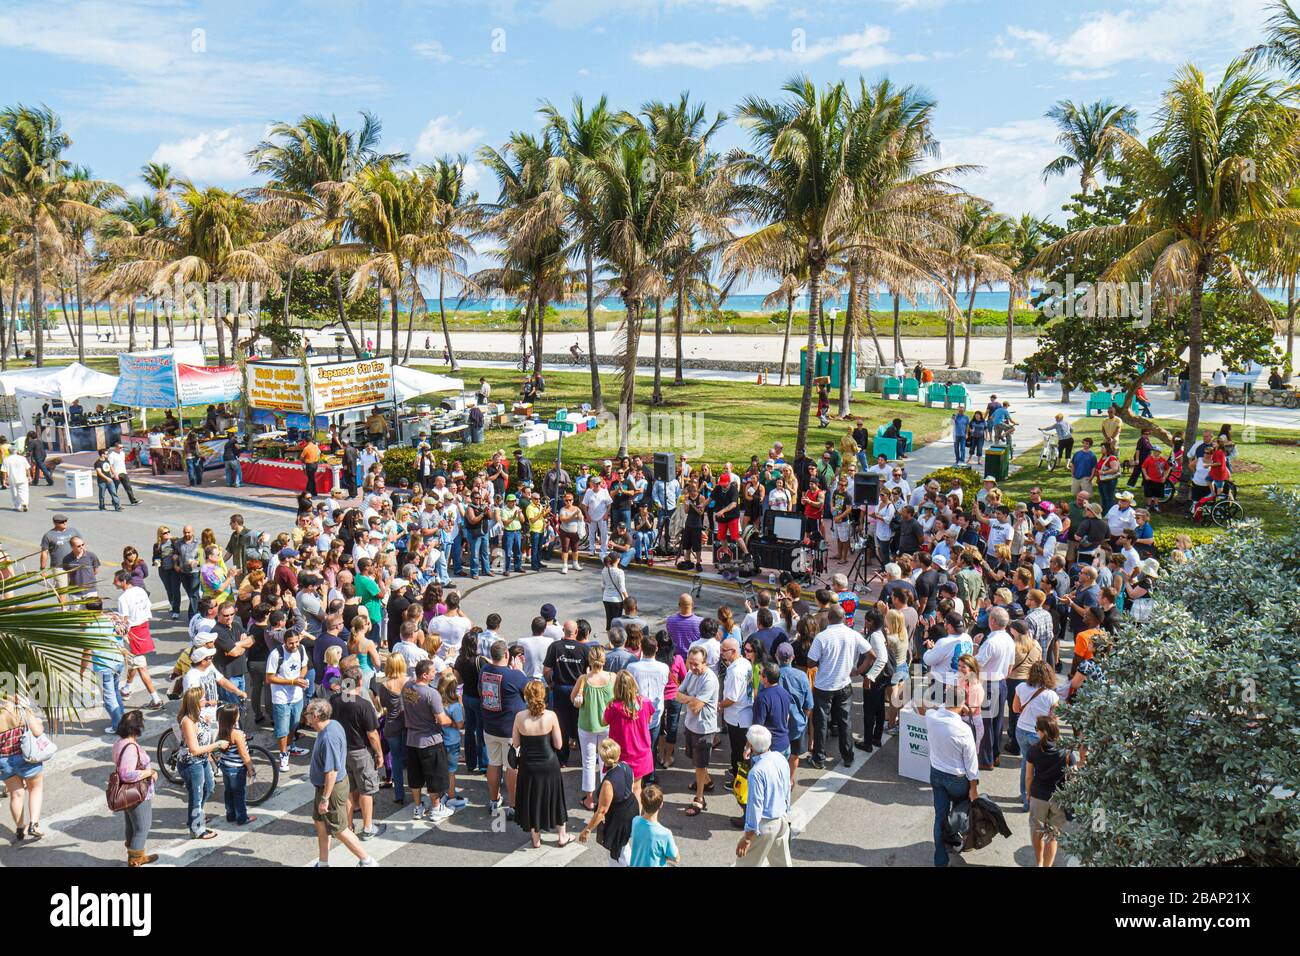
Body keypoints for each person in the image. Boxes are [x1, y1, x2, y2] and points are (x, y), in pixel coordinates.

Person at [305, 698, 377, 866]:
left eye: (307, 713)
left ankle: (367, 861)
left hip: (331, 788)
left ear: (315, 716)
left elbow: (331, 773)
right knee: (320, 822)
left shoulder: (329, 738)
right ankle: (323, 862)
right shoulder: (333, 724)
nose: (305, 716)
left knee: (340, 829)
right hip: (325, 787)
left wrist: (325, 799)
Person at [919, 682, 980, 867]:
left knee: (940, 817)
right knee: (960, 815)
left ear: (945, 700)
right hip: (958, 779)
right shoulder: (963, 730)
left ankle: (940, 860)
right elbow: (971, 764)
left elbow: (921, 704)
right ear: (963, 704)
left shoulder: (932, 717)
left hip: (936, 774)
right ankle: (957, 842)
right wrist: (974, 789)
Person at [511, 680, 573, 848]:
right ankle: (562, 836)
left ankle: (536, 839)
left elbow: (515, 743)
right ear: (543, 695)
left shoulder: (519, 717)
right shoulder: (551, 716)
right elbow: (559, 744)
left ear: (526, 696)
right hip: (548, 763)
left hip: (528, 765)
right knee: (555, 798)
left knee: (532, 799)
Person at [807, 605, 867, 769]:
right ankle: (848, 756)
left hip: (824, 686)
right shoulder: (852, 634)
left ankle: (819, 758)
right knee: (844, 721)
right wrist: (858, 671)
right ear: (843, 618)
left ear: (829, 619)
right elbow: (871, 654)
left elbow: (810, 662)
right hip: (844, 684)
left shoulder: (822, 637)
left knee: (821, 723)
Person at [480, 640, 529, 816]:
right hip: (510, 730)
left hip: (490, 727)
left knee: (494, 764)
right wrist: (520, 670)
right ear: (507, 655)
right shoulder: (514, 676)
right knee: (511, 766)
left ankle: (494, 801)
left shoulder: (484, 671)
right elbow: (530, 692)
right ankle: (513, 805)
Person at [735, 724, 793, 867]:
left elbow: (755, 806)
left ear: (751, 746)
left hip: (765, 825)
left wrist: (748, 837)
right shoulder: (779, 758)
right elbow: (787, 787)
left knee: (745, 864)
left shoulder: (757, 772)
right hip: (781, 819)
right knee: (782, 863)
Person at [578, 738, 639, 866]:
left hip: (619, 818)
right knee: (623, 844)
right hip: (631, 809)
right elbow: (631, 786)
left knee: (618, 851)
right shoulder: (625, 766)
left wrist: (587, 830)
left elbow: (602, 811)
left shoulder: (608, 782)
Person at [175, 686, 226, 840]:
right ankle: (197, 829)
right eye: (203, 698)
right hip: (191, 764)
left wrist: (208, 724)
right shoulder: (187, 722)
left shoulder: (199, 715)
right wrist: (218, 745)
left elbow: (204, 737)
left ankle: (196, 816)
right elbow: (195, 749)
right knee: (196, 796)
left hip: (202, 760)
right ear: (195, 702)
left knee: (209, 788)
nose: (206, 699)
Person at [676, 646, 719, 818]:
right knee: (695, 760)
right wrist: (691, 699)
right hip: (690, 725)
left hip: (703, 728)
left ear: (705, 662)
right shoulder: (691, 673)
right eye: (690, 663)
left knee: (700, 765)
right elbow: (677, 694)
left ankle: (700, 798)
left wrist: (689, 699)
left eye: (696, 664)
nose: (692, 667)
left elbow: (694, 707)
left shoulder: (710, 680)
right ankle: (706, 782)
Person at [112, 709, 159, 865]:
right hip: (137, 792)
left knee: (132, 826)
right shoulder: (131, 747)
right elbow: (127, 774)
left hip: (127, 791)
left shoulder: (119, 743)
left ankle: (136, 855)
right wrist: (149, 772)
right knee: (142, 828)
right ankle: (135, 861)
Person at [0, 693, 47, 842]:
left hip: (4, 761)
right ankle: (34, 824)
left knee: (16, 794)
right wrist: (29, 711)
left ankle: (20, 828)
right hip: (26, 758)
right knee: (35, 789)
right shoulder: (20, 710)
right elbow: (38, 731)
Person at [1025, 714, 1070, 867]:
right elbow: (1074, 776)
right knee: (1053, 836)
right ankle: (1047, 866)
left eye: (1037, 729)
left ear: (1043, 731)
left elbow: (1029, 776)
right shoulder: (1067, 751)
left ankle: (1039, 863)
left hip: (1039, 796)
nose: (1036, 732)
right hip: (1059, 797)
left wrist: (1028, 793)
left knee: (1037, 832)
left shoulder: (1034, 750)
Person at [266, 630, 310, 771]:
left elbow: (304, 666)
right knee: (282, 729)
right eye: (291, 643)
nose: (295, 645)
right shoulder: (275, 654)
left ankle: (291, 747)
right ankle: (283, 755)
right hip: (281, 698)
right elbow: (269, 678)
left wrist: (301, 678)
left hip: (297, 696)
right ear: (284, 642)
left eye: (297, 642)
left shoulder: (301, 649)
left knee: (294, 724)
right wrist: (292, 681)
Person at [215, 703, 256, 827]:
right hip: (237, 769)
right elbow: (244, 754)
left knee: (229, 792)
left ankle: (230, 814)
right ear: (234, 718)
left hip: (225, 766)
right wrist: (250, 768)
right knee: (239, 794)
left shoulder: (222, 731)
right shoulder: (238, 733)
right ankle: (242, 817)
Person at [629, 784, 679, 867]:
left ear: (642, 802)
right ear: (661, 804)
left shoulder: (635, 821)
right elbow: (676, 857)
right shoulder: (665, 833)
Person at [108, 441, 140, 505]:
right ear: (116, 448)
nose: (122, 449)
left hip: (124, 473)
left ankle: (133, 501)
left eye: (122, 447)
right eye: (120, 447)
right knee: (115, 489)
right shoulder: (112, 455)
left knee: (128, 487)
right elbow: (110, 465)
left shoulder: (122, 453)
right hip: (116, 474)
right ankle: (114, 501)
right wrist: (114, 474)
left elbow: (123, 462)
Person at [2, 446, 29, 510]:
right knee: (24, 491)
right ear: (16, 451)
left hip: (12, 478)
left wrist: (4, 480)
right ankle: (24, 503)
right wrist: (29, 476)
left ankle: (18, 506)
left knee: (14, 492)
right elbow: (27, 468)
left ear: (9, 452)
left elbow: (4, 471)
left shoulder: (6, 460)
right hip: (23, 478)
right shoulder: (22, 458)